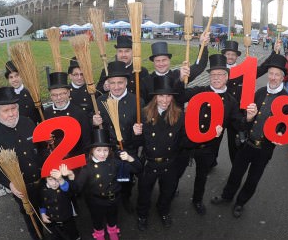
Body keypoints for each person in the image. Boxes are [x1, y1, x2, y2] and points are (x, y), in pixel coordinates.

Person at [176, 54, 257, 215]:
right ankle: (170, 193)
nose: (216, 78)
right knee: (177, 171)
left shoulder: (231, 101)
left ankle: (197, 200)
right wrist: (180, 79)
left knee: (202, 176)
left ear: (227, 77)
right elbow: (180, 96)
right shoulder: (200, 91)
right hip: (187, 142)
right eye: (213, 75)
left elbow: (238, 124)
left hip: (209, 147)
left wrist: (248, 118)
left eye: (220, 74)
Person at [211, 54, 288, 218]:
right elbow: (245, 117)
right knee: (236, 173)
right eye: (271, 73)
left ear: (283, 77)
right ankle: (227, 196)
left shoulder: (287, 100)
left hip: (265, 148)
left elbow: (286, 124)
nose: (273, 77)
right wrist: (247, 120)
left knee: (253, 179)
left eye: (277, 75)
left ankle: (240, 202)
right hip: (247, 143)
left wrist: (281, 133)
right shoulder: (259, 92)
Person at [0, 87, 45, 240]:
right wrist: (9, 184)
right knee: (32, 219)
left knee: (51, 212)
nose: (11, 114)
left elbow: (40, 148)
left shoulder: (28, 122)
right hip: (22, 189)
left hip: (43, 181)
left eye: (13, 108)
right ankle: (38, 238)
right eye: (5, 110)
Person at [133, 75, 185, 230]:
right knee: (144, 192)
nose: (165, 99)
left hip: (170, 163)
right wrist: (136, 134)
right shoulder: (143, 114)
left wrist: (208, 134)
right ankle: (142, 215)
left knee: (167, 192)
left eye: (168, 95)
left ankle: (163, 211)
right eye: (161, 95)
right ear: (155, 97)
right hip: (149, 163)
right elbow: (137, 144)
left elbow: (184, 140)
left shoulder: (180, 115)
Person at [72, 129, 142, 240]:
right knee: (97, 220)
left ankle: (112, 230)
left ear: (109, 151)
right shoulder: (87, 167)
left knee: (113, 217)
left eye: (105, 150)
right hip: (95, 201)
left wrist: (130, 159)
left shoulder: (115, 162)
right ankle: (99, 234)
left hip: (113, 199)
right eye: (98, 150)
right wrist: (70, 177)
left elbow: (138, 169)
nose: (102, 153)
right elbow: (76, 188)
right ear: (92, 151)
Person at [93, 61, 143, 213]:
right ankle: (112, 198)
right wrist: (94, 122)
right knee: (110, 178)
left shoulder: (137, 102)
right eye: (112, 83)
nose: (116, 87)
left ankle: (126, 197)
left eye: (120, 82)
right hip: (108, 151)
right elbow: (96, 129)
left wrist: (138, 132)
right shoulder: (101, 102)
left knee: (125, 178)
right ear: (107, 83)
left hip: (128, 149)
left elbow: (143, 134)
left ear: (126, 82)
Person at [220, 40, 281, 163]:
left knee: (234, 145)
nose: (230, 57)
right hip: (219, 113)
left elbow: (263, 68)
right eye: (228, 54)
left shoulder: (245, 71)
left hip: (236, 115)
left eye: (233, 54)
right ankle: (210, 162)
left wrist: (274, 51)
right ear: (224, 55)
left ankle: (235, 168)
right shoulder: (217, 70)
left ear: (237, 56)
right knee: (213, 142)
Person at [141, 32, 209, 104]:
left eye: (164, 60)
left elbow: (199, 66)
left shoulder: (179, 74)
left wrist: (203, 45)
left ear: (169, 60)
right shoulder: (146, 81)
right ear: (153, 62)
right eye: (157, 61)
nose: (161, 64)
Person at [44, 72, 92, 157]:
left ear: (68, 93)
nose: (59, 98)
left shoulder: (79, 113)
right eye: (54, 95)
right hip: (54, 159)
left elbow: (86, 142)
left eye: (62, 93)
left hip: (76, 159)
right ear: (50, 96)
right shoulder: (47, 112)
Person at [40, 164, 82, 240]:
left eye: (56, 179)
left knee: (73, 235)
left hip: (67, 219)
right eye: (50, 179)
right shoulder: (43, 189)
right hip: (52, 221)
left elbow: (71, 190)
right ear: (46, 179)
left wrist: (61, 180)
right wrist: (43, 213)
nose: (54, 183)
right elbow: (42, 202)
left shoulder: (64, 186)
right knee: (56, 238)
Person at [4, 60, 42, 124]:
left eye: (16, 76)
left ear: (22, 76)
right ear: (8, 80)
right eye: (11, 77)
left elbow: (40, 116)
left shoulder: (32, 92)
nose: (14, 80)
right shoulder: (7, 97)